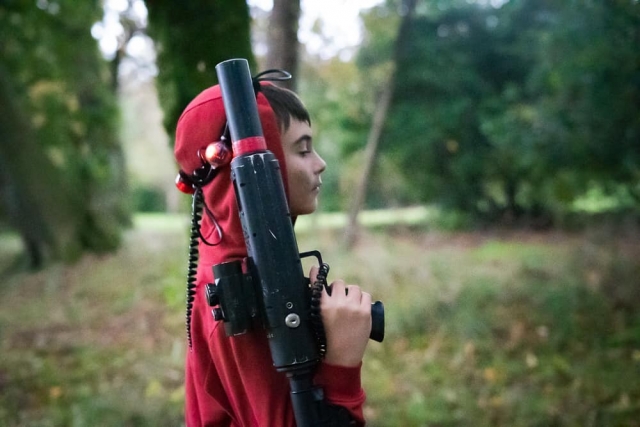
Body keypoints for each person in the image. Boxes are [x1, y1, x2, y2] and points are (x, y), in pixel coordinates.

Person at [174, 79, 374, 426]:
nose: (321, 163)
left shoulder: (247, 263)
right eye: (302, 149)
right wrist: (341, 364)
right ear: (261, 169)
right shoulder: (240, 292)